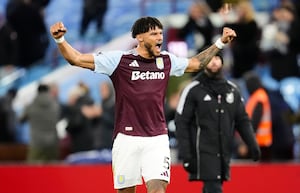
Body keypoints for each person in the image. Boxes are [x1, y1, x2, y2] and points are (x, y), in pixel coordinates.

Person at [50, 16, 236, 193]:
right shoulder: (119, 60)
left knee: (158, 188)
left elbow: (196, 64)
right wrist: (60, 40)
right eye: (154, 34)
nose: (160, 38)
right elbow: (76, 59)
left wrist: (220, 43)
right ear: (139, 37)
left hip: (157, 138)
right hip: (126, 139)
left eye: (161, 34)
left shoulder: (166, 60)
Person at [174, 54, 261, 193]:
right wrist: (186, 154)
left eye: (217, 58)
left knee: (212, 187)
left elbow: (242, 120)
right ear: (203, 63)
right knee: (214, 187)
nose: (214, 62)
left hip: (224, 150)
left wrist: (252, 144)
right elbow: (181, 122)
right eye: (210, 59)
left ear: (222, 61)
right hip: (202, 151)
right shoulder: (193, 89)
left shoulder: (232, 89)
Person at [19, 83, 61, 163]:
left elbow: (21, 120)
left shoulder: (31, 106)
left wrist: (25, 108)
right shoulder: (55, 105)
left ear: (37, 92)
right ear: (48, 91)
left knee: (33, 170)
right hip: (52, 142)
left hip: (36, 142)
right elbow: (58, 119)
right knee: (53, 171)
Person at [243, 71, 272, 161]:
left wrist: (247, 141)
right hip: (260, 141)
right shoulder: (258, 96)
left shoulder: (259, 98)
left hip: (259, 142)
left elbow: (255, 121)